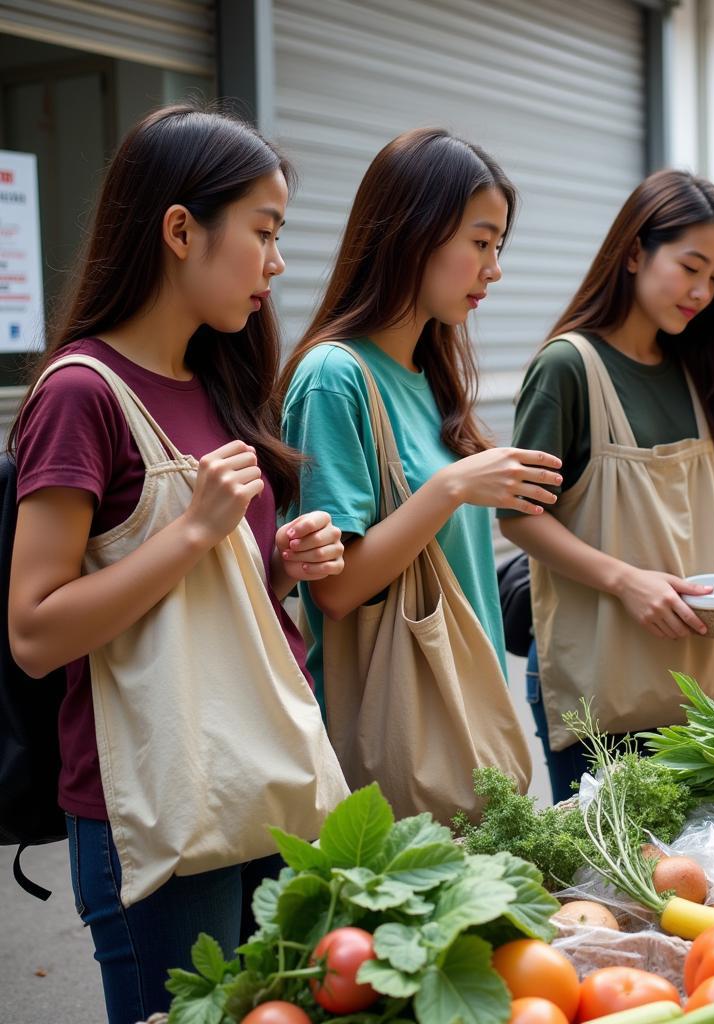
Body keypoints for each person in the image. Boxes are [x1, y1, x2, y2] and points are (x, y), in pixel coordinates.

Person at [8, 106, 347, 1024]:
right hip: (154, 811)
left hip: (256, 780)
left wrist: (274, 567)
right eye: (265, 232)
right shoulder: (82, 394)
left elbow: (191, 602)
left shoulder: (218, 381)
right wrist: (194, 532)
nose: (277, 263)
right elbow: (35, 633)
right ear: (180, 229)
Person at [278, 128, 556, 807]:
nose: (494, 270)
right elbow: (335, 593)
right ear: (414, 232)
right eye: (481, 242)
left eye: (499, 247)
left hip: (468, 720)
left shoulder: (427, 372)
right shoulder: (333, 377)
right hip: (399, 738)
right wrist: (452, 486)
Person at [499, 170, 714, 802]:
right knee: (608, 885)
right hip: (604, 687)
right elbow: (518, 517)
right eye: (690, 267)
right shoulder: (567, 367)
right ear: (636, 250)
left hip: (703, 680)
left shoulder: (702, 368)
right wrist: (627, 579)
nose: (702, 291)